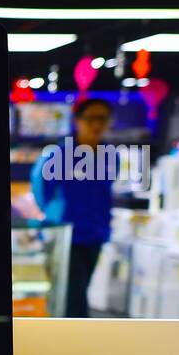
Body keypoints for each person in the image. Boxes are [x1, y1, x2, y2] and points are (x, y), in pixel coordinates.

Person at [29, 97, 116, 317]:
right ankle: (78, 343)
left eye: (102, 119)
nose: (97, 124)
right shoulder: (59, 154)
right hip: (65, 235)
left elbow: (105, 193)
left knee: (79, 289)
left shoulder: (110, 155)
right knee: (73, 297)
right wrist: (53, 216)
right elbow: (41, 188)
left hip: (95, 234)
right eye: (91, 118)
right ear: (78, 121)